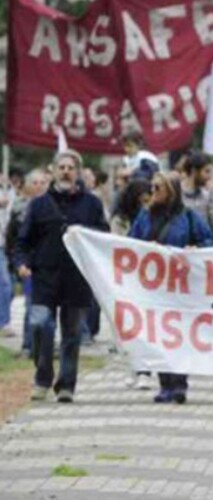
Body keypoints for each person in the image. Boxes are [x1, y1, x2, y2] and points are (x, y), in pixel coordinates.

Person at [17, 150, 109, 403]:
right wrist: (23, 263)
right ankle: (42, 376)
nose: (66, 171)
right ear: (53, 171)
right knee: (40, 324)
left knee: (71, 334)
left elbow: (103, 236)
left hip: (76, 278)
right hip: (45, 276)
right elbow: (24, 240)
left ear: (78, 172)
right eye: (62, 167)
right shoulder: (38, 204)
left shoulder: (92, 204)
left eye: (70, 167)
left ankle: (66, 384)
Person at [128, 172, 213, 404]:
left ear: (171, 192)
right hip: (153, 287)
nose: (152, 193)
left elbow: (207, 241)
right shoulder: (144, 217)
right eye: (152, 188)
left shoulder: (188, 217)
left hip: (180, 286)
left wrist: (193, 248)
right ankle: (165, 383)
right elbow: (130, 243)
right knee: (159, 334)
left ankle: (179, 383)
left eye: (158, 188)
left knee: (179, 334)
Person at [110, 178, 153, 390]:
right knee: (129, 324)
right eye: (142, 201)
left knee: (147, 324)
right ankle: (133, 366)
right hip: (127, 278)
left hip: (148, 279)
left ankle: (145, 369)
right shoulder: (120, 220)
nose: (146, 205)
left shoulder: (154, 217)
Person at [5, 169, 51, 357]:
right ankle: (28, 345)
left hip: (51, 265)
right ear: (28, 186)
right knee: (31, 304)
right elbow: (13, 239)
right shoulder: (19, 208)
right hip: (30, 265)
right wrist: (19, 263)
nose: (39, 186)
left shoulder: (55, 207)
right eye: (35, 183)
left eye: (43, 183)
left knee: (48, 307)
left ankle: (45, 346)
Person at [181, 151, 213, 231]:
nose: (209, 176)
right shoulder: (177, 194)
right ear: (194, 171)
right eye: (206, 171)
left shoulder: (207, 196)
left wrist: (212, 196)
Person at [0, 176, 16, 338]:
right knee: (5, 284)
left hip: (8, 245)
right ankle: (3, 323)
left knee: (9, 286)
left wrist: (9, 186)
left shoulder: (8, 189)